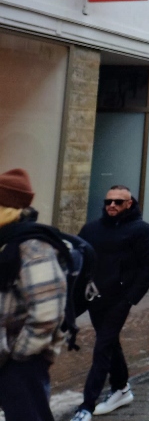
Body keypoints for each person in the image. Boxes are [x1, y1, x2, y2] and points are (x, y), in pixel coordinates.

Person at [72, 186, 149, 421]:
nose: (112, 205)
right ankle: (121, 388)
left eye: (118, 202)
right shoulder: (92, 228)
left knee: (102, 347)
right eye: (108, 201)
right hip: (95, 298)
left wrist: (131, 297)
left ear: (129, 204)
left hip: (119, 299)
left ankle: (86, 406)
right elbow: (79, 258)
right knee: (110, 343)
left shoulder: (141, 230)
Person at [0, 168, 67, 421]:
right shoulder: (5, 241)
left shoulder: (33, 246)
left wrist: (18, 354)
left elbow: (47, 313)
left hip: (21, 361)